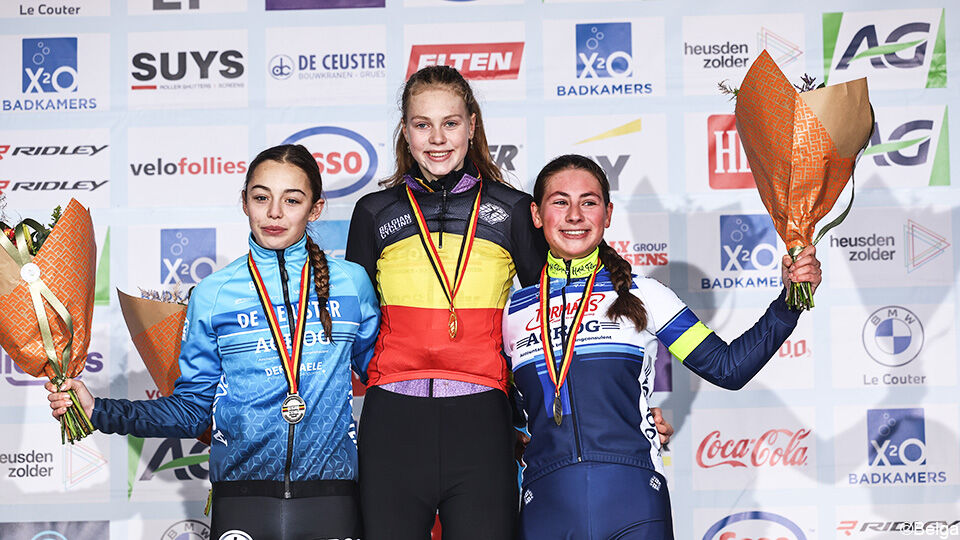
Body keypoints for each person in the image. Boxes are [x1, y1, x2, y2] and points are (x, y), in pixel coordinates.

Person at [47, 144, 380, 540]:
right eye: (261, 197)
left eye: (292, 200)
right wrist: (97, 409)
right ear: (244, 202)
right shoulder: (214, 293)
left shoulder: (351, 283)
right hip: (242, 498)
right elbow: (192, 411)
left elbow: (386, 377)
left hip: (333, 497)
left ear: (316, 209)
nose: (274, 212)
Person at [501, 154, 822, 540]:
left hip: (633, 499)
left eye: (589, 201)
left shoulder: (643, 294)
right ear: (537, 215)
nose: (575, 215)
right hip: (546, 503)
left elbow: (728, 368)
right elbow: (503, 407)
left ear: (608, 213)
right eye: (560, 202)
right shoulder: (512, 309)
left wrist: (789, 303)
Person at [345, 65, 548, 540]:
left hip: (482, 419)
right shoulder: (374, 212)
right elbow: (352, 322)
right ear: (405, 131)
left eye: (450, 123)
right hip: (393, 417)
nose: (437, 138)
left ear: (472, 126)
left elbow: (549, 318)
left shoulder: (514, 208)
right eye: (422, 124)